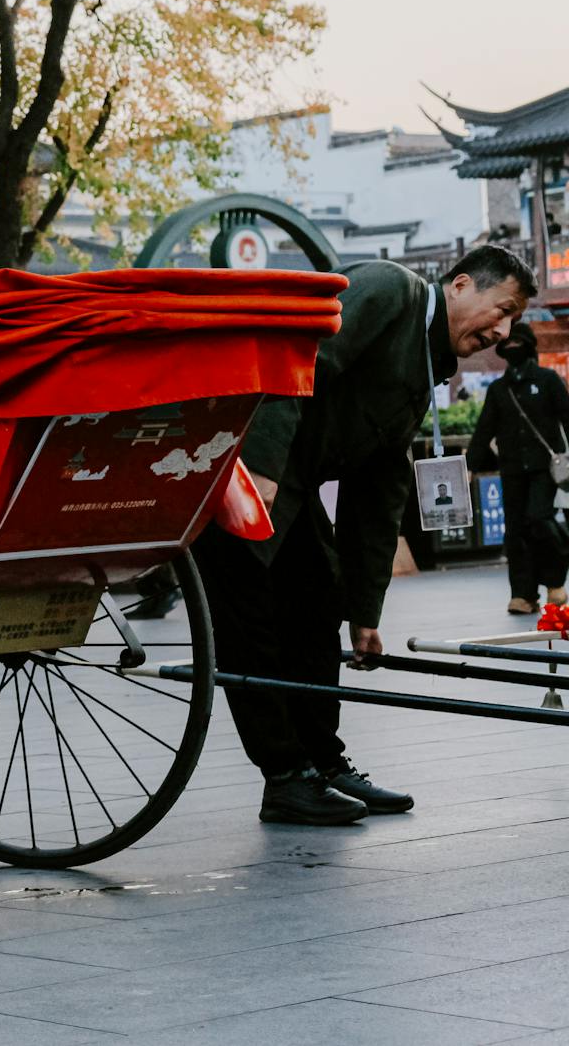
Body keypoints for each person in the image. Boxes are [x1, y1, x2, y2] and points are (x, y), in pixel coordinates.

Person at [194, 245, 533, 826]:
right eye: (501, 310)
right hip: (235, 463)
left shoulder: (426, 367)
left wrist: (365, 611)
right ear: (458, 286)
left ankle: (324, 763)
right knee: (251, 623)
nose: (503, 332)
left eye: (513, 323)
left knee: (318, 600)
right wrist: (262, 466)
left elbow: (379, 492)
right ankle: (285, 777)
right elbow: (296, 357)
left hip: (290, 488)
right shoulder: (390, 291)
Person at [468, 320, 569, 615]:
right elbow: (484, 430)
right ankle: (523, 594)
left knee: (539, 519)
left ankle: (554, 583)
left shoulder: (549, 380)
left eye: (517, 342)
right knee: (514, 532)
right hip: (511, 470)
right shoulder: (499, 389)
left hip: (544, 468)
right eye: (507, 344)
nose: (512, 347)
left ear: (529, 346)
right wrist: (469, 466)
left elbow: (567, 418)